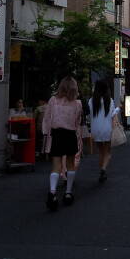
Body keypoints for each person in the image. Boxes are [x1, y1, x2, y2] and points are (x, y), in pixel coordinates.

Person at [42, 76, 83, 210]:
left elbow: (47, 119)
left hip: (56, 134)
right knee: (70, 164)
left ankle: (52, 193)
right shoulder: (77, 103)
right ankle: (68, 193)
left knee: (56, 165)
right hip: (70, 134)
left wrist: (45, 133)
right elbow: (77, 122)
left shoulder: (53, 100)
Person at [89, 79, 120, 183]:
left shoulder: (91, 101)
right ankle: (103, 169)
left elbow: (89, 114)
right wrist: (117, 109)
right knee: (107, 151)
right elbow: (112, 114)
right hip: (107, 128)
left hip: (95, 129)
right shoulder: (109, 100)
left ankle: (102, 169)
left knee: (101, 151)